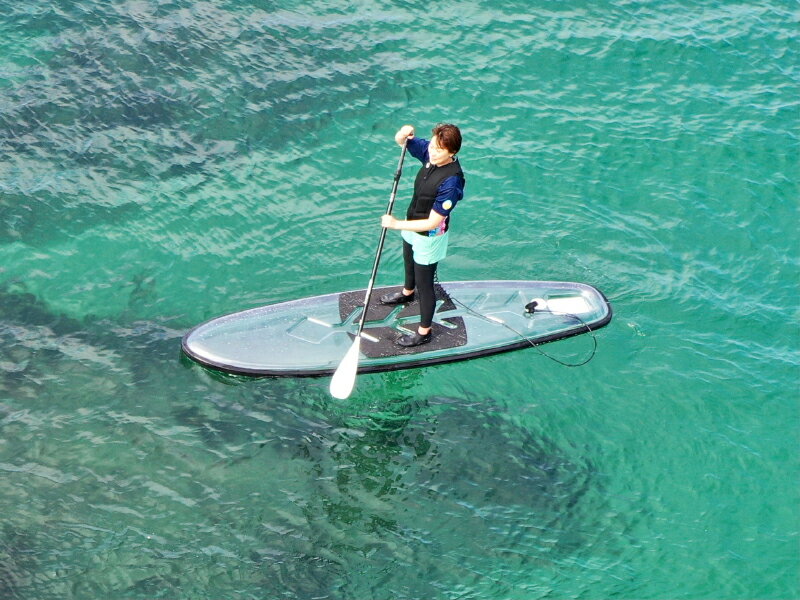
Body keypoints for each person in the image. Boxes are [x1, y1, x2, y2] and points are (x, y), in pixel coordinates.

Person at [380, 123, 466, 347]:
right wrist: (403, 132)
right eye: (433, 146)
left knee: (425, 284)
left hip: (429, 235)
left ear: (452, 152)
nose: (433, 152)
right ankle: (407, 293)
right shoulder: (430, 152)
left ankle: (423, 332)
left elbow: (434, 221)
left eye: (440, 150)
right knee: (409, 262)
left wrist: (396, 224)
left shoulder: (452, 181)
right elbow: (403, 141)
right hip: (411, 224)